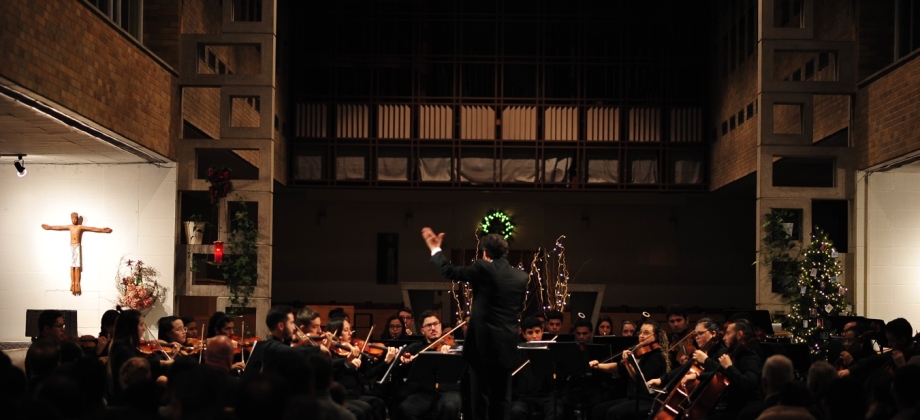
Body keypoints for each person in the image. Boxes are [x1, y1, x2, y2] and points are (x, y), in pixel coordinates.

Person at [423, 227, 528, 420]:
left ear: (485, 253)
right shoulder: (521, 277)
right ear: (506, 253)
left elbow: (449, 271)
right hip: (506, 346)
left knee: (480, 398)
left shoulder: (482, 267)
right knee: (502, 399)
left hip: (482, 346)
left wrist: (435, 249)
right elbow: (519, 307)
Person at [589, 320, 670, 420]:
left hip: (648, 400)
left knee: (613, 413)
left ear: (656, 336)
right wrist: (598, 365)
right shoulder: (641, 353)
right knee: (597, 410)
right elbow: (618, 367)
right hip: (634, 399)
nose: (642, 335)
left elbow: (639, 378)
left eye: (646, 333)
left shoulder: (656, 357)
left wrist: (628, 363)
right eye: (640, 332)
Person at [396, 311, 462, 420]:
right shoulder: (415, 348)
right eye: (428, 325)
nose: (433, 328)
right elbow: (399, 364)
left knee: (450, 406)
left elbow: (461, 366)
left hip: (448, 392)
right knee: (404, 409)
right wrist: (403, 360)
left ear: (440, 325)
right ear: (422, 330)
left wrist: (451, 356)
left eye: (436, 324)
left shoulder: (452, 346)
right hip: (424, 393)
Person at [106, 309, 174, 405]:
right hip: (126, 400)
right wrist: (164, 363)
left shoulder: (131, 345)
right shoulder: (120, 347)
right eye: (141, 325)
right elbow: (136, 363)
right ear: (131, 327)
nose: (144, 329)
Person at [41, 212, 112, 295]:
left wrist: (102, 230)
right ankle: (72, 283)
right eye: (73, 219)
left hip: (77, 246)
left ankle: (77, 283)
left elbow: (92, 228)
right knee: (72, 266)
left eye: (75, 219)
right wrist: (49, 227)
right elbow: (59, 227)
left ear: (77, 219)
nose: (74, 220)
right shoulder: (70, 226)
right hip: (72, 246)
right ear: (71, 219)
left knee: (77, 266)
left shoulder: (80, 227)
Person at [511, 316, 562, 420]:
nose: (535, 336)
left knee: (556, 412)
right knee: (515, 411)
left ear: (542, 331)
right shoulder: (517, 352)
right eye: (530, 333)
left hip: (547, 397)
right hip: (523, 398)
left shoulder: (550, 351)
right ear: (523, 334)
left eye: (537, 332)